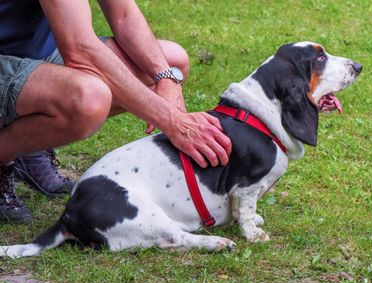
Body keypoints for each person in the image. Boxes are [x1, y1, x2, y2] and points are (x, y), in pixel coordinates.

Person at [0, 0, 232, 224]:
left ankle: (28, 148)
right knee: (88, 100)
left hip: (34, 54)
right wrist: (172, 120)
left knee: (172, 63)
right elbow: (80, 50)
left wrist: (166, 78)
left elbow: (124, 15)